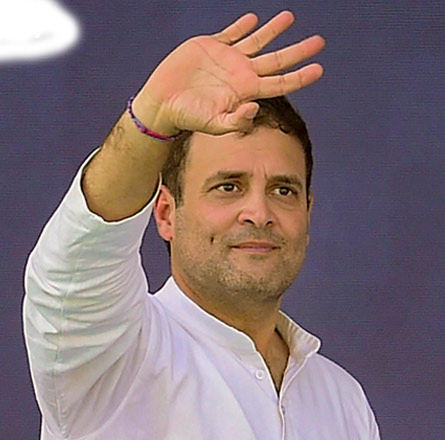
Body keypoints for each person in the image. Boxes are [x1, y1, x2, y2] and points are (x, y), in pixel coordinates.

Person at [23, 10, 380, 440]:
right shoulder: (114, 356)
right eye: (228, 186)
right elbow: (75, 270)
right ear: (165, 213)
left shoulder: (343, 400)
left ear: (308, 211)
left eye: (283, 190)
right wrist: (152, 115)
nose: (259, 212)